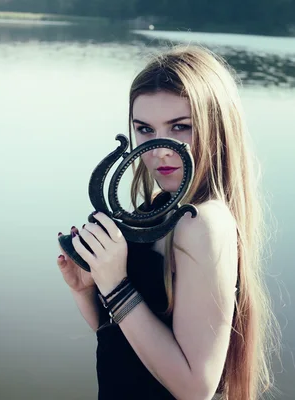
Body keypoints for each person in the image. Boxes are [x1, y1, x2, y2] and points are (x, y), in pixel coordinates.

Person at [56, 45, 280, 400]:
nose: (160, 149)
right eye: (144, 129)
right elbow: (130, 347)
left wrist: (116, 286)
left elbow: (196, 388)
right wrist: (89, 289)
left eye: (180, 127)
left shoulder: (201, 222)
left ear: (216, 128)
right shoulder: (161, 208)